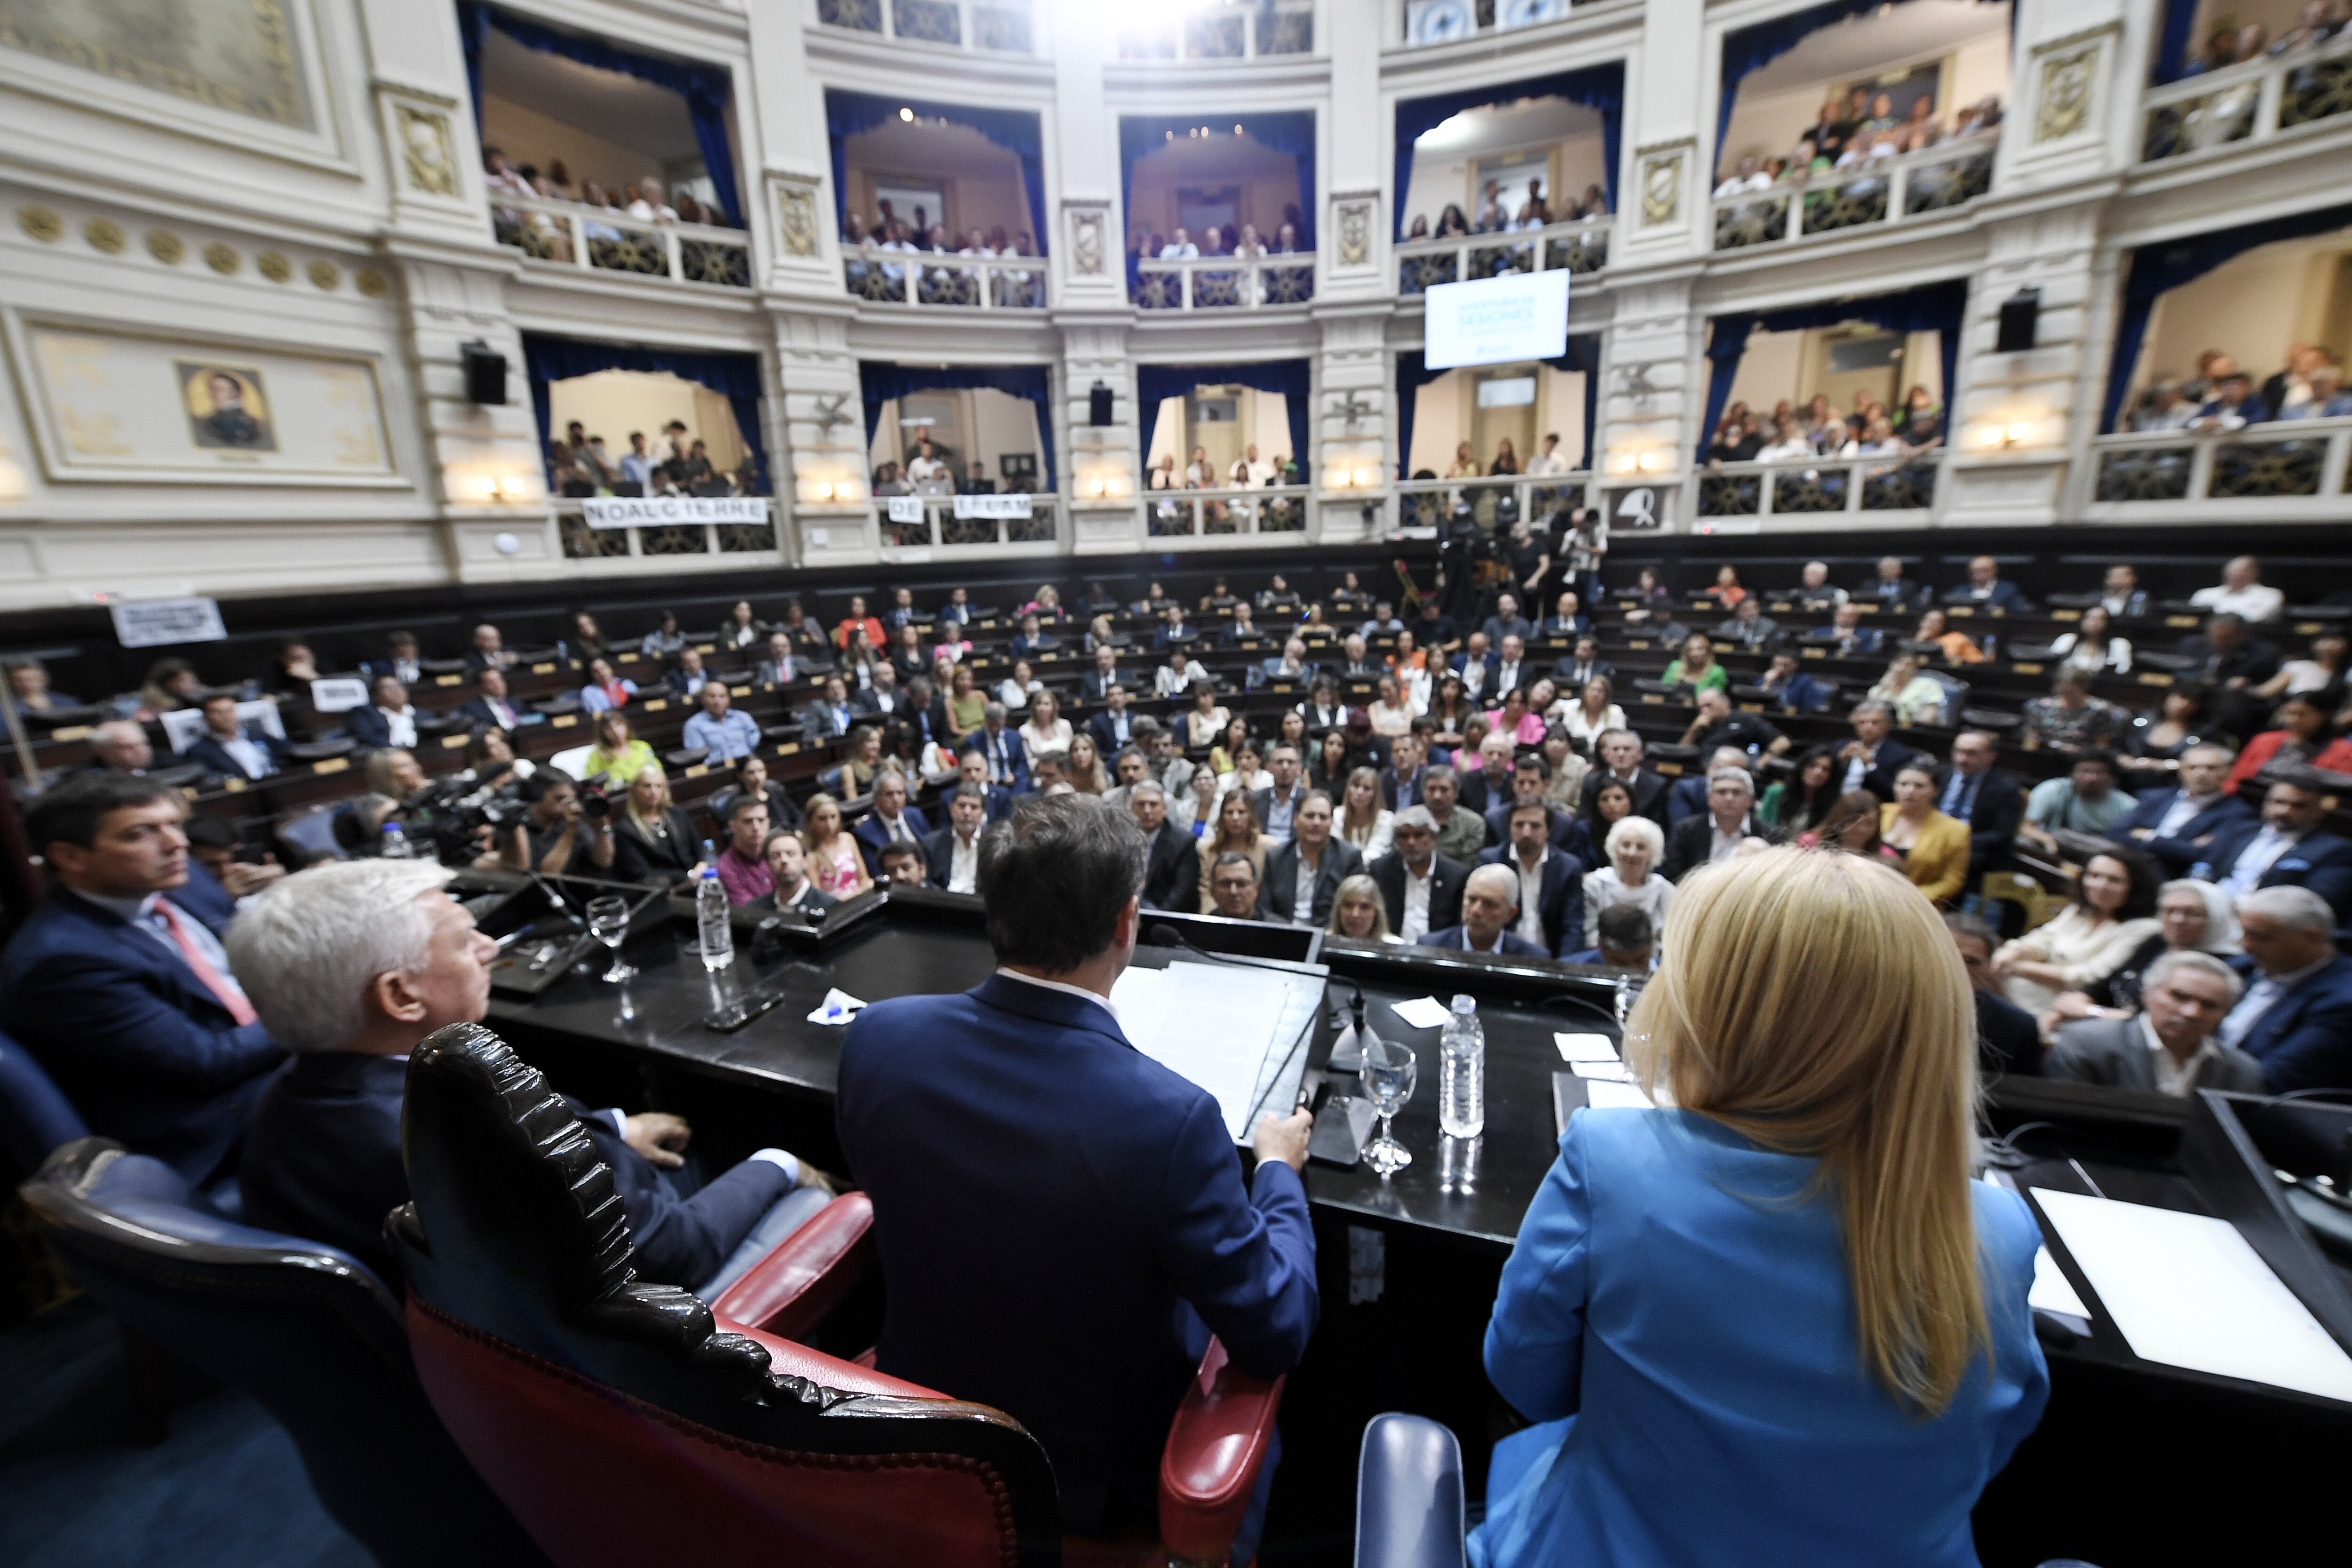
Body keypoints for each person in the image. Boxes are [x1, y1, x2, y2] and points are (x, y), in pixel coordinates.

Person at [1479, 848, 2045, 1568]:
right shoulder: (2000, 1233)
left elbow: (1524, 1379)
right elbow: (1987, 1446)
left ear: (1716, 1012)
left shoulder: (1613, 1162)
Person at [836, 796, 1316, 1552]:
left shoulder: (877, 1039)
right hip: (1085, 1487)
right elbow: (1278, 1328)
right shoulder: (1175, 1119)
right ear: (1127, 923)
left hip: (917, 1426)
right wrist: (1279, 1174)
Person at [232, 858, 831, 1291]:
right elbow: (674, 1251)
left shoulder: (273, 1117)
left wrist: (610, 1128)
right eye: (465, 942)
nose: (490, 948)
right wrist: (779, 1163)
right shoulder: (496, 1136)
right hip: (634, 1357)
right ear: (401, 995)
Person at [0, 774, 280, 1185]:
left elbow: (256, 955)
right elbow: (206, 1063)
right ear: (70, 857)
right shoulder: (63, 961)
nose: (176, 843)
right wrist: (318, 1007)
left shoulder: (183, 881)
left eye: (173, 824)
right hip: (213, 1128)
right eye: (140, 834)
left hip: (260, 1062)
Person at [2045, 951, 2263, 1095]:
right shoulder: (2087, 1045)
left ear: (2226, 1013)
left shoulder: (2243, 1073)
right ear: (2147, 994)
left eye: (2209, 1005)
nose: (2192, 1013)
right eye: (2179, 997)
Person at [1991, 849, 2162, 1018]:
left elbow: (2089, 977)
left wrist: (2017, 968)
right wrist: (2014, 952)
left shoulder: (2144, 928)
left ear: (2135, 887)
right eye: (2094, 876)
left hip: (2066, 1005)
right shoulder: (2081, 910)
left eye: (2114, 880)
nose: (2101, 886)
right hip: (2030, 986)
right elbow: (2044, 939)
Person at [2217, 886, 2352, 1091]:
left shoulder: (2343, 1002)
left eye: (2260, 937)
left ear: (2313, 937)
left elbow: (2270, 1079)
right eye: (2245, 933)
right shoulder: (2241, 968)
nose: (2246, 946)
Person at [2191, 776, 2352, 918]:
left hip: (2260, 922)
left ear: (2319, 811)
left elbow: (2310, 906)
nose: (2284, 811)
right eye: (2278, 802)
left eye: (2298, 806)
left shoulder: (2335, 851)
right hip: (2207, 909)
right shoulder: (2241, 830)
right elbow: (2204, 868)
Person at [1480, 799, 1585, 956]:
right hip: (1502, 956)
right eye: (1519, 825)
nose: (1526, 833)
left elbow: (1573, 927)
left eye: (1535, 826)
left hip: (1552, 959)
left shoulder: (1568, 868)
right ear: (1510, 828)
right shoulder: (1491, 861)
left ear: (1549, 831)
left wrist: (1565, 970)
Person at [1260, 790, 1362, 927]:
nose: (1316, 823)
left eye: (1323, 817)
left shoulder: (1349, 858)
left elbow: (1356, 909)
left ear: (1331, 822)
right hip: (1282, 934)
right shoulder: (1276, 857)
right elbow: (1265, 909)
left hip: (1329, 937)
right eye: (1310, 816)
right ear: (1295, 820)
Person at [1663, 767, 1784, 881]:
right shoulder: (1686, 830)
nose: (1729, 798)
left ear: (1750, 800)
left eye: (1737, 793)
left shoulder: (1770, 834)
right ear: (1709, 799)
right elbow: (1675, 875)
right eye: (1722, 792)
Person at [1369, 805, 1470, 942]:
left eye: (1419, 835)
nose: (1411, 843)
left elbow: (1460, 926)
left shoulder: (1456, 875)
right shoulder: (1381, 870)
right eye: (1404, 836)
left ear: (1434, 838)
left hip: (1439, 952)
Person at [1936, 731, 2025, 882]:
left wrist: (1957, 842)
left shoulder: (2006, 789)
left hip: (1973, 852)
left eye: (1971, 754)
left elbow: (2002, 834)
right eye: (1958, 751)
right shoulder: (1940, 775)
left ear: (1991, 756)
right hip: (1932, 842)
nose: (1962, 759)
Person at [2225, 693, 2352, 792]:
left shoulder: (2344, 751)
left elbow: (2338, 793)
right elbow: (2236, 779)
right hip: (2249, 801)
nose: (2293, 720)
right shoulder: (2263, 740)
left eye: (2302, 714)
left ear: (2323, 716)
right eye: (2289, 713)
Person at [1418, 862, 1548, 958]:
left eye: (1490, 904)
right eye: (1472, 899)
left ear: (1510, 913)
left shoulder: (1533, 958)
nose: (1476, 911)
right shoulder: (1430, 948)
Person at [1581, 815, 1671, 948]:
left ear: (1652, 853)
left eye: (1641, 847)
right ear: (1615, 848)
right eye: (1626, 845)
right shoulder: (1595, 884)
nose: (1632, 853)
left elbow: (1666, 939)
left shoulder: (1666, 891)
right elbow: (1590, 932)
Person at [606, 771, 700, 885]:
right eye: (647, 786)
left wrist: (702, 865)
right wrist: (687, 877)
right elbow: (640, 872)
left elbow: (699, 847)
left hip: (696, 878)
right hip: (665, 890)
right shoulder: (625, 829)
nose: (653, 791)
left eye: (658, 786)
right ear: (635, 791)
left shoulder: (676, 814)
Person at [183, 692, 289, 781]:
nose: (226, 716)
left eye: (229, 710)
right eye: (218, 712)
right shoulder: (199, 750)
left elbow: (289, 750)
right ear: (206, 717)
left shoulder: (257, 735)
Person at [1195, 790, 1270, 912]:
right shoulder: (1208, 849)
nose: (1235, 818)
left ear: (1250, 815)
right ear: (1222, 817)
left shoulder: (1269, 848)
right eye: (1230, 813)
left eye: (1242, 812)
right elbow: (1206, 892)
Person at [1580, 729, 1670, 825]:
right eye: (1615, 749)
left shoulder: (1657, 785)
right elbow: (1584, 820)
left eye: (1627, 749)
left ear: (1639, 753)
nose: (1621, 754)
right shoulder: (1592, 782)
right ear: (1607, 754)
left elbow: (1659, 826)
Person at [851, 770, 931, 875]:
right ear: (876, 799)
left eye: (900, 793)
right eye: (889, 794)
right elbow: (877, 872)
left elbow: (931, 850)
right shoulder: (865, 833)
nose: (896, 799)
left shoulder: (915, 815)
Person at [682, 679, 761, 763]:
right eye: (712, 697)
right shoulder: (693, 725)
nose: (717, 701)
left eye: (722, 696)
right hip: (717, 771)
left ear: (728, 699)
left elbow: (755, 742)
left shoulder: (743, 717)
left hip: (747, 766)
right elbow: (698, 756)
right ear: (703, 699)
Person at [2190, 555, 2285, 623]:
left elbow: (2255, 618)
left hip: (2251, 638)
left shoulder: (2271, 595)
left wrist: (2218, 613)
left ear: (2255, 574)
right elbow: (2192, 616)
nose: (2235, 576)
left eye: (2241, 572)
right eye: (2231, 572)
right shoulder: (2205, 594)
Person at [347, 674, 420, 750]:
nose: (396, 691)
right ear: (375, 696)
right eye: (389, 688)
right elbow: (367, 739)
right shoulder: (364, 714)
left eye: (399, 686)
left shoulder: (421, 714)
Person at [1945, 555, 2027, 613]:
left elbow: (2017, 613)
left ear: (1994, 570)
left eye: (1984, 570)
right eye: (1975, 571)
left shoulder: (2008, 589)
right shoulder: (1960, 590)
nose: (1980, 575)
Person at [1661, 634, 1728, 693]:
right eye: (1691, 650)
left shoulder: (1717, 672)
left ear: (1708, 651)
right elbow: (1664, 689)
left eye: (1700, 649)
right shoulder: (1675, 666)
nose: (1695, 653)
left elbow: (1715, 698)